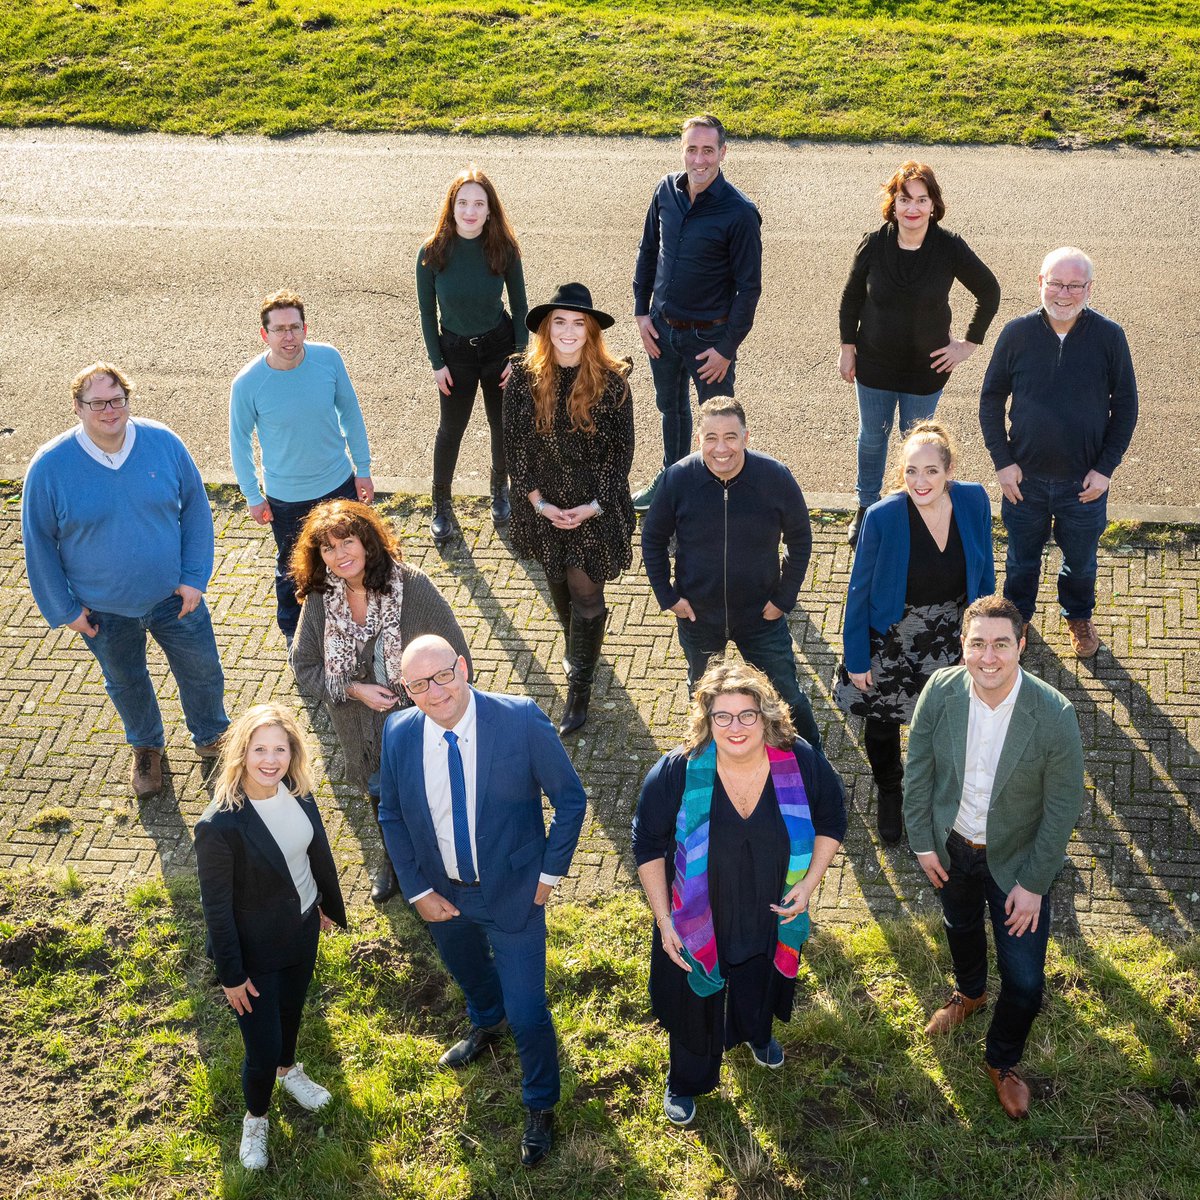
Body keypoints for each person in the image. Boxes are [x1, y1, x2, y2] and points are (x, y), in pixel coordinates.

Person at [378, 635, 587, 1167]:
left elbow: (570, 799)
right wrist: (418, 889)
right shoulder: (398, 731)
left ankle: (540, 1103)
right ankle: (485, 1021)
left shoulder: (519, 720)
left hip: (516, 894)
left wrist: (549, 875)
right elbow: (393, 813)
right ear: (407, 690)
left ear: (464, 667)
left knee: (530, 1011)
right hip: (441, 896)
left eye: (444, 675)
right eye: (420, 684)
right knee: (468, 971)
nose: (436, 691)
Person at [632, 660, 845, 1126]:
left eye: (747, 714)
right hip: (698, 913)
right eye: (722, 716)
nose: (735, 726)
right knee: (695, 995)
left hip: (771, 908)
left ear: (766, 715)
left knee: (759, 976)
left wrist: (808, 885)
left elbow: (833, 820)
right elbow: (646, 844)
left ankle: (754, 1031)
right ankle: (686, 1078)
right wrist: (665, 920)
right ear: (706, 721)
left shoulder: (800, 759)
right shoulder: (678, 771)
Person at [905, 595, 1083, 1119]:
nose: (988, 656)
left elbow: (1062, 806)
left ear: (1021, 646)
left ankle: (1002, 1061)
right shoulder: (940, 691)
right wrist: (921, 840)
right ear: (962, 646)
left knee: (1027, 982)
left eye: (1001, 644)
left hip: (1019, 863)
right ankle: (970, 992)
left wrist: (1033, 883)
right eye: (977, 643)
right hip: (952, 848)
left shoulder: (1054, 714)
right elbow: (918, 769)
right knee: (958, 924)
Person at [22, 362, 229, 800]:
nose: (109, 410)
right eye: (97, 402)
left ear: (128, 400)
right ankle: (147, 747)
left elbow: (194, 508)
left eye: (117, 399)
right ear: (78, 407)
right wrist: (65, 610)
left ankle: (212, 737)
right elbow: (38, 543)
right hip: (102, 609)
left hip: (175, 597)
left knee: (202, 671)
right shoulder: (49, 467)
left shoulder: (163, 443)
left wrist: (195, 577)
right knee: (126, 681)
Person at [289, 499, 472, 904]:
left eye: (347, 542)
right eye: (328, 548)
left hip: (420, 726)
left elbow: (458, 661)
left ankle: (438, 864)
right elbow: (303, 665)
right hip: (360, 732)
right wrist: (356, 690)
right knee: (379, 795)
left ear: (367, 541)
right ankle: (393, 859)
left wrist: (419, 695)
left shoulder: (414, 586)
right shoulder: (322, 596)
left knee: (426, 798)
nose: (340, 555)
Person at [194, 704, 348, 1170]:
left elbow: (308, 854)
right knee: (260, 1046)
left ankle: (289, 1070)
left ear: (292, 754)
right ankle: (255, 1118)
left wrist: (319, 902)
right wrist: (232, 975)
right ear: (241, 752)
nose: (270, 759)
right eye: (260, 748)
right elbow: (216, 910)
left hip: (302, 930)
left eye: (280, 749)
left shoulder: (299, 794)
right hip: (253, 951)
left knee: (291, 1012)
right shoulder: (218, 825)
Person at [833, 422, 995, 845]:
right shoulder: (883, 514)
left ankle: (934, 797)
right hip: (891, 634)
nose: (919, 482)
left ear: (949, 470)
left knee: (946, 724)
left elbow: (986, 571)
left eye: (930, 472)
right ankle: (890, 790)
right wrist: (856, 657)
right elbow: (859, 588)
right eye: (910, 471)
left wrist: (984, 637)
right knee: (882, 723)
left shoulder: (974, 500)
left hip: (950, 635)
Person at [979, 246, 1138, 660]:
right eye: (1056, 283)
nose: (1064, 294)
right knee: (1020, 560)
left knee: (1082, 564)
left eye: (1074, 285)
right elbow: (991, 399)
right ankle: (1018, 619)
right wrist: (1003, 463)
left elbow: (1126, 408)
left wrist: (1104, 470)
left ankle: (1078, 615)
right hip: (1024, 482)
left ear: (1089, 288)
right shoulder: (1016, 334)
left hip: (1084, 485)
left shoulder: (1109, 337)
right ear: (1041, 283)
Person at [642, 397, 823, 750]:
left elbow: (800, 539)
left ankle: (813, 763)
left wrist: (783, 599)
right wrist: (669, 597)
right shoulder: (677, 479)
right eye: (711, 437)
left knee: (787, 696)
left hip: (761, 616)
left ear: (746, 437)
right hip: (698, 617)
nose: (720, 448)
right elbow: (652, 539)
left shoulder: (775, 477)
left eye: (730, 437)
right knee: (705, 698)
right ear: (699, 440)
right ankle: (709, 762)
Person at [838, 160, 1000, 548]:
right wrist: (847, 348)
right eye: (904, 199)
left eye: (921, 200)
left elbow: (989, 291)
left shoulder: (949, 248)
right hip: (874, 364)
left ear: (933, 205)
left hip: (926, 371)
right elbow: (851, 298)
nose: (912, 208)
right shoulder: (874, 244)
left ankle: (914, 508)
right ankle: (866, 507)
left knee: (921, 449)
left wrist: (966, 345)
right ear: (893, 204)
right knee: (872, 438)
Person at [503, 282, 635, 736]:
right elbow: (515, 446)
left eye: (579, 323)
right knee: (557, 579)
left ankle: (579, 686)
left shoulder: (612, 383)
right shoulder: (522, 377)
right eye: (559, 321)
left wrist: (591, 507)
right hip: (542, 505)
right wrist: (537, 502)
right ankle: (580, 644)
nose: (568, 330)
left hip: (595, 507)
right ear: (546, 328)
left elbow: (620, 455)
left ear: (591, 331)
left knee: (585, 590)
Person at [631, 112, 762, 511]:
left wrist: (726, 348)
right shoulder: (664, 191)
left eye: (708, 150)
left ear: (723, 152)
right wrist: (641, 313)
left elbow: (749, 289)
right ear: (682, 150)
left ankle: (717, 496)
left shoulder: (739, 212)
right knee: (670, 409)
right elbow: (649, 251)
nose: (699, 159)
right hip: (662, 331)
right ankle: (672, 481)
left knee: (718, 424)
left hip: (710, 341)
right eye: (692, 149)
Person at [229, 288, 374, 644]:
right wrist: (252, 495)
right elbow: (239, 442)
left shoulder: (329, 360)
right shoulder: (248, 383)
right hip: (286, 498)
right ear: (265, 334)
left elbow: (351, 413)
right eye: (278, 329)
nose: (288, 337)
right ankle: (297, 639)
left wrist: (363, 468)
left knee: (351, 560)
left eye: (294, 327)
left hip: (339, 486)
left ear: (305, 328)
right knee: (295, 571)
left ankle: (358, 626)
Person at [417, 166, 528, 545]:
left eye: (478, 204)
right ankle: (441, 505)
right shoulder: (432, 252)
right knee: (451, 430)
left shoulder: (505, 248)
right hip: (455, 355)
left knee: (503, 428)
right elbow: (426, 314)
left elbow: (521, 307)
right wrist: (437, 363)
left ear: (489, 210)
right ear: (451, 207)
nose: (470, 211)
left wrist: (519, 360)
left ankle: (499, 491)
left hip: (498, 351)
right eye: (462, 203)